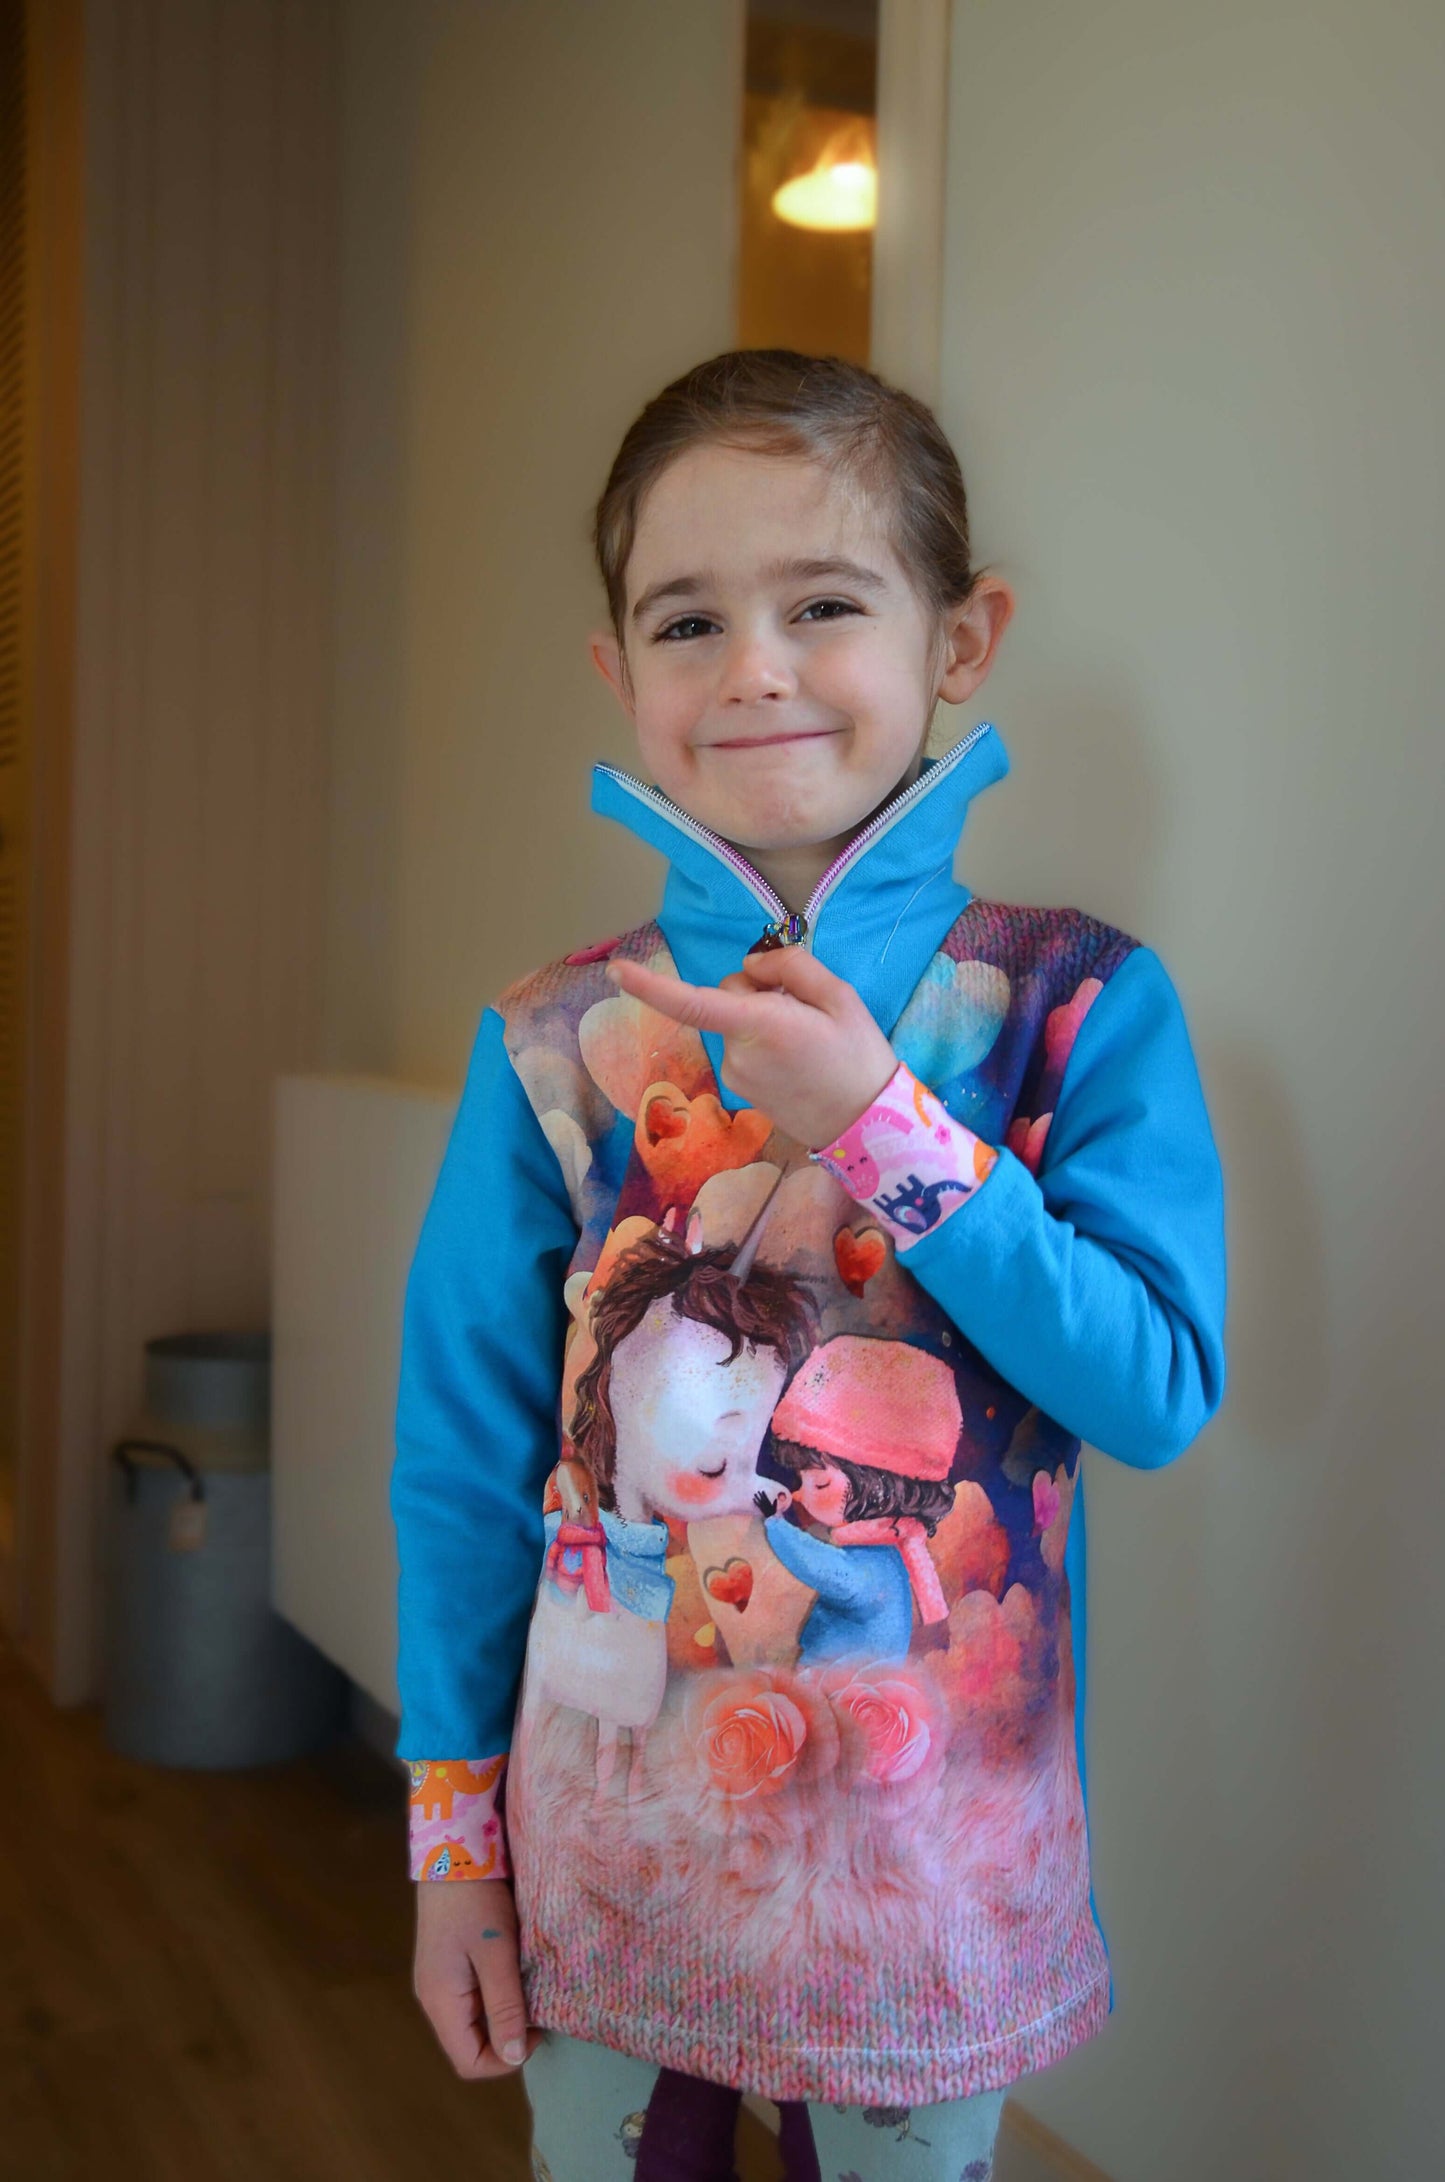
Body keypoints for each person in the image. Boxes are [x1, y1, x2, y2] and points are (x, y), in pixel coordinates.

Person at [390, 349, 1227, 2182]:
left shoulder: (1078, 1006)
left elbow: (1154, 1389)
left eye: (823, 603)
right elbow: (462, 1462)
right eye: (688, 619)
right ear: (620, 672)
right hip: (606, 1882)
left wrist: (884, 1123)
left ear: (961, 637)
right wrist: (453, 1847)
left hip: (929, 1906)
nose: (753, 665)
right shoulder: (555, 1038)